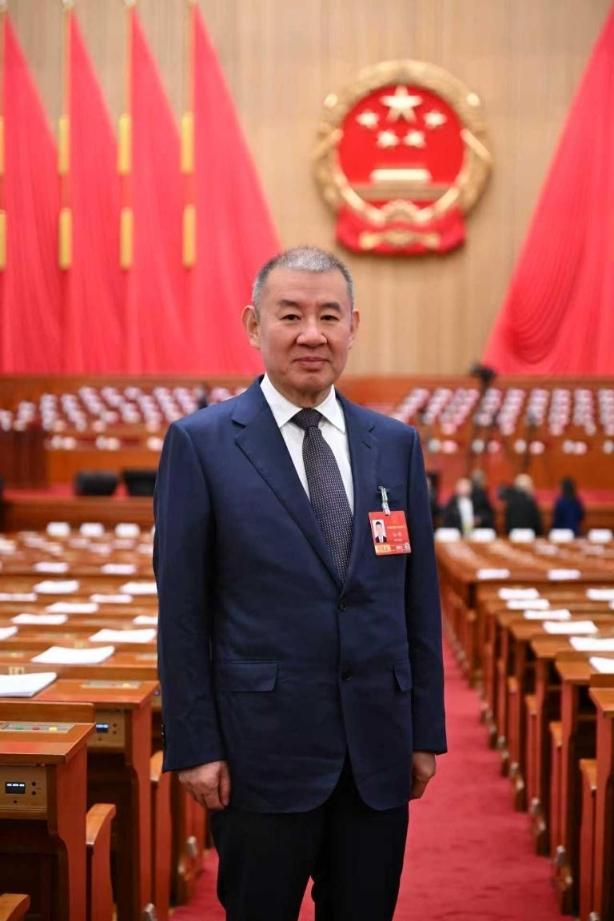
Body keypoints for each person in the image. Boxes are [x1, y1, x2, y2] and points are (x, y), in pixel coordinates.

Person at [154, 246, 446, 921]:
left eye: (329, 316)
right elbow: (183, 613)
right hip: (260, 757)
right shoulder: (201, 444)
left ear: (353, 327)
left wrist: (423, 730)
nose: (312, 334)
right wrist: (195, 745)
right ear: (254, 325)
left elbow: (416, 602)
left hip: (376, 753)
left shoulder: (394, 444)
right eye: (290, 315)